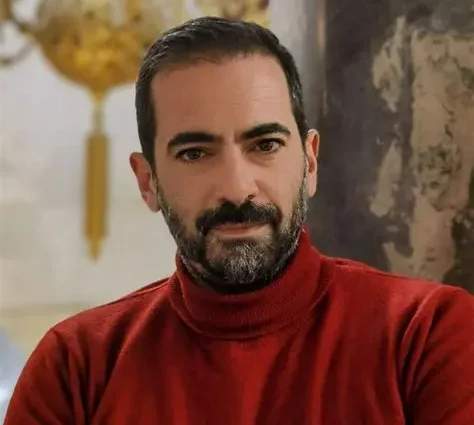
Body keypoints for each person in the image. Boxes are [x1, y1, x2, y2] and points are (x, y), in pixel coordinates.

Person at [4, 16, 474, 425]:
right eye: (195, 153)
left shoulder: (426, 336)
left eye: (265, 145)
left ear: (310, 162)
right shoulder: (75, 369)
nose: (236, 188)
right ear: (148, 182)